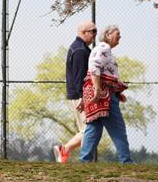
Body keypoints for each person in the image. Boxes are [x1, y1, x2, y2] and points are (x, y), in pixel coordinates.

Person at [79, 24, 132, 163]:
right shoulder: (104, 48)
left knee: (94, 127)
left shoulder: (101, 49)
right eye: (117, 33)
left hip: (100, 93)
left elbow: (101, 71)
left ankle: (84, 160)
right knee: (118, 128)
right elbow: (95, 67)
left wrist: (117, 91)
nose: (120, 36)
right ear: (108, 35)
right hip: (104, 95)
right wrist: (97, 89)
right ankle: (126, 160)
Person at [53, 20, 96, 163]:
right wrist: (83, 98)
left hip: (80, 95)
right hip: (80, 96)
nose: (95, 35)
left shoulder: (81, 48)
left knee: (88, 129)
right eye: (93, 31)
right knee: (88, 130)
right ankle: (82, 160)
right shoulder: (79, 50)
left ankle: (65, 150)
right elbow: (79, 77)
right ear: (84, 32)